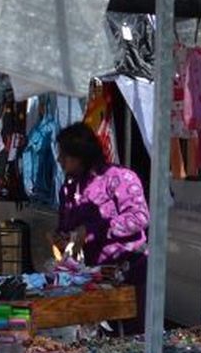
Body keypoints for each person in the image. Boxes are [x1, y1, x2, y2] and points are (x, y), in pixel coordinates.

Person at [54, 121, 150, 323]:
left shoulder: (119, 178)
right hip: (92, 277)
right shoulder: (68, 187)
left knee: (130, 337)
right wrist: (63, 238)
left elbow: (139, 217)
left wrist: (93, 231)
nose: (59, 160)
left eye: (64, 155)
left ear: (79, 154)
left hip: (129, 272)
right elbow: (65, 225)